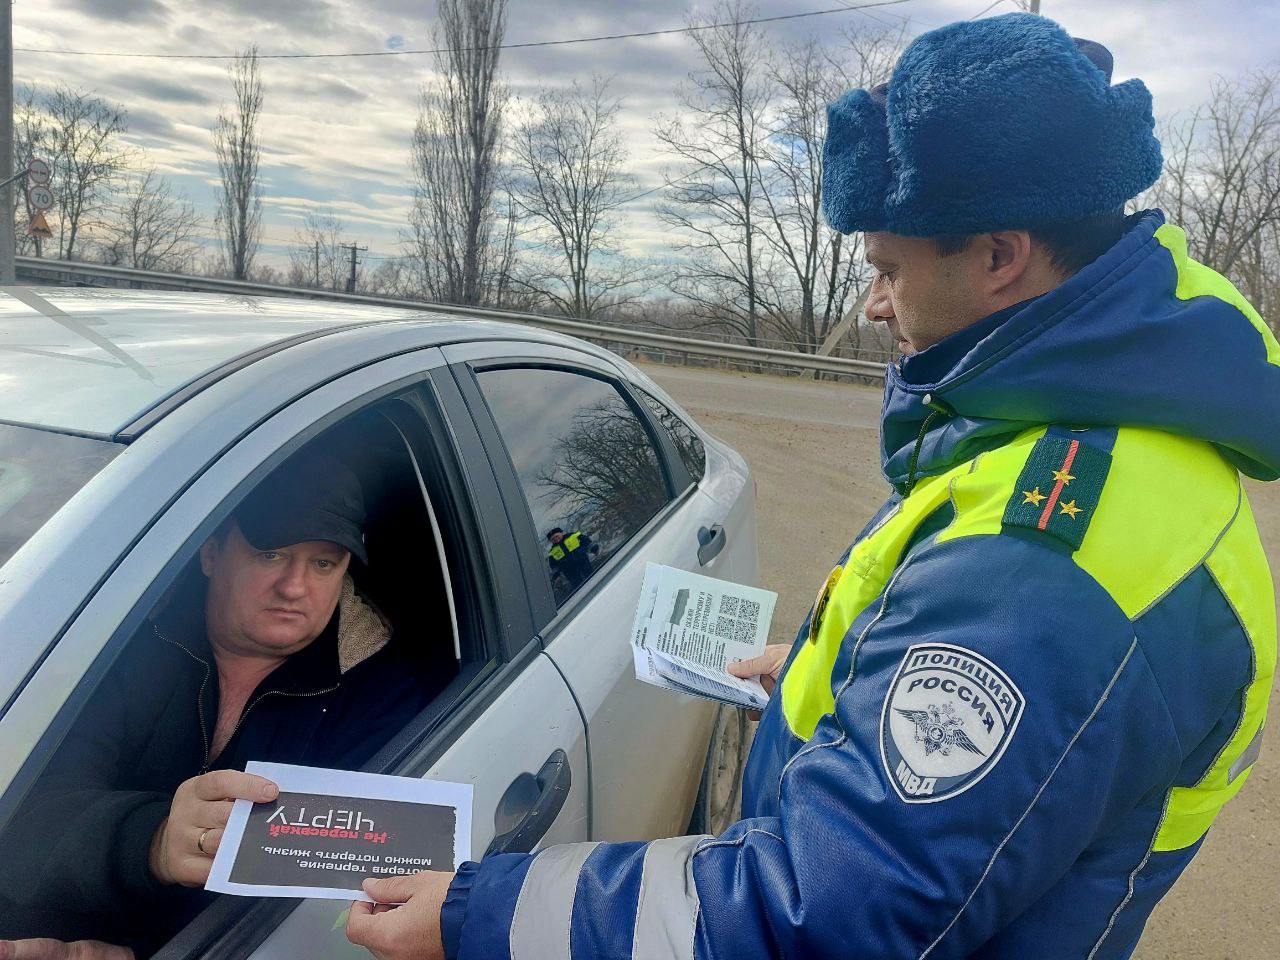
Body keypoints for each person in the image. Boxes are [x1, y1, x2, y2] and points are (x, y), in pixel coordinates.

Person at [343, 14, 1278, 960]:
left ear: (1001, 255)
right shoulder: (1084, 433)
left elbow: (826, 912)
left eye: (888, 268)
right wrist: (830, 671)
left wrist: (481, 915)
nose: (874, 302)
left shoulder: (1047, 558)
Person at [0, 452, 430, 959]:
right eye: (271, 554)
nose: (295, 587)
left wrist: (137, 952)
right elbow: (27, 802)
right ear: (210, 554)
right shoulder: (118, 640)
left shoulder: (381, 693)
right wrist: (153, 840)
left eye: (322, 563)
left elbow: (329, 886)